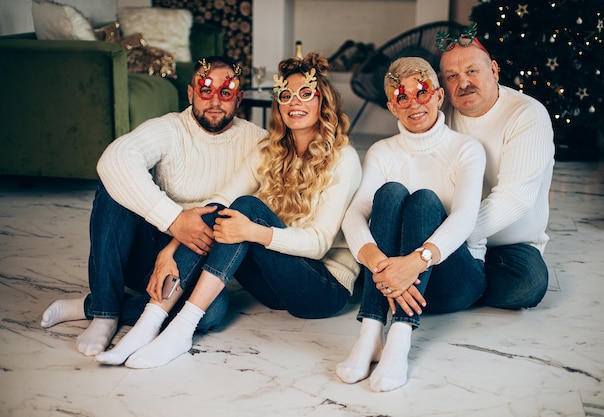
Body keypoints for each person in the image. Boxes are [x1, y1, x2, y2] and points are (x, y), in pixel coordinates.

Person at [93, 51, 363, 369]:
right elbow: (219, 201)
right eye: (286, 94)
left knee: (246, 209)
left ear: (323, 101)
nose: (294, 102)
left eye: (306, 94)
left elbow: (318, 243)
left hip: (322, 288)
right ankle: (148, 323)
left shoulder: (344, 158)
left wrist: (254, 231)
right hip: (274, 286)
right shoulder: (270, 150)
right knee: (220, 210)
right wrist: (174, 243)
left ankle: (179, 329)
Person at [40, 56, 268, 357]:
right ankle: (105, 314)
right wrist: (174, 220)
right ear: (190, 94)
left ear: (238, 98)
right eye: (205, 91)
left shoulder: (257, 141)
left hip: (197, 256)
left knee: (213, 312)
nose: (215, 101)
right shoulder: (169, 128)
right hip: (144, 249)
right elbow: (114, 158)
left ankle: (92, 304)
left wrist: (173, 248)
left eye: (225, 93)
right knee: (115, 183)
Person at [336, 57, 487, 392]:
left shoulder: (467, 149)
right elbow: (354, 213)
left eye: (421, 93)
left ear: (437, 95)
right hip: (389, 279)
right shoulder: (381, 151)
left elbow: (465, 217)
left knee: (424, 200)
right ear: (392, 106)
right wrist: (378, 263)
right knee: (389, 193)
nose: (414, 104)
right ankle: (371, 331)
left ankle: (400, 336)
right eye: (403, 97)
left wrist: (414, 263)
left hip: (455, 279)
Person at [437, 23, 555, 309]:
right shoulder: (440, 114)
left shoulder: (527, 114)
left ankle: (446, 286)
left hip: (508, 247)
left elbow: (514, 198)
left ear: (494, 70)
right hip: (444, 237)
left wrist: (450, 238)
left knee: (527, 285)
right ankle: (453, 285)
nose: (463, 82)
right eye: (452, 76)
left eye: (472, 71)